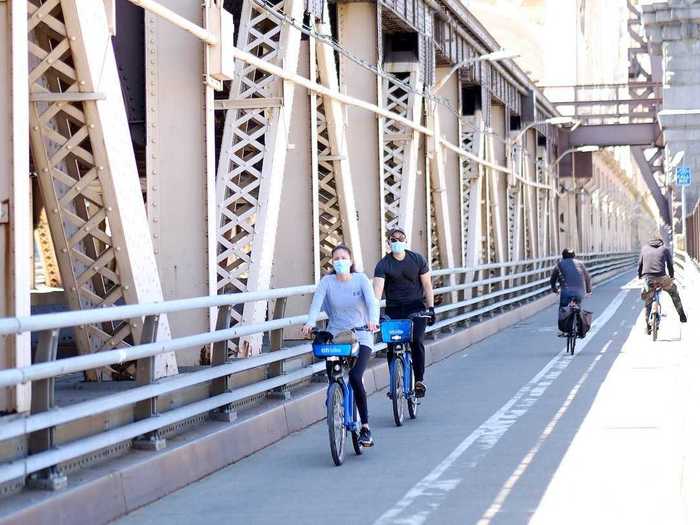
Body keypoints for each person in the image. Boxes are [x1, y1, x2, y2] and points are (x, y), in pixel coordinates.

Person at [302, 244, 379, 447]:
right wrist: (310, 322)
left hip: (361, 335)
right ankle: (335, 397)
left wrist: (373, 320)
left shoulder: (361, 279)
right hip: (337, 337)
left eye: (344, 258)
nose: (340, 262)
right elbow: (316, 303)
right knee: (334, 375)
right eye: (336, 259)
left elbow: (372, 303)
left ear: (351, 261)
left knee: (355, 376)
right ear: (332, 263)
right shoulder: (327, 282)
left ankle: (365, 427)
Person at [373, 227, 435, 399]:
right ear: (388, 243)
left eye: (401, 239)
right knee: (391, 346)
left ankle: (419, 380)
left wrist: (430, 308)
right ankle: (395, 381)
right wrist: (374, 314)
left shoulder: (417, 259)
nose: (397, 242)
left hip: (416, 308)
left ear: (406, 241)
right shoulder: (383, 264)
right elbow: (377, 291)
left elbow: (427, 285)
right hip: (393, 310)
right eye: (393, 239)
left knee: (416, 341)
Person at [638, 237, 687, 334]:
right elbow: (669, 265)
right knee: (673, 292)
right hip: (662, 278)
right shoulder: (665, 249)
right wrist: (671, 276)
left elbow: (640, 264)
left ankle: (648, 326)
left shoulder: (644, 249)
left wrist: (640, 276)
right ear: (661, 243)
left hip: (648, 279)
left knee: (648, 300)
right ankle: (682, 315)